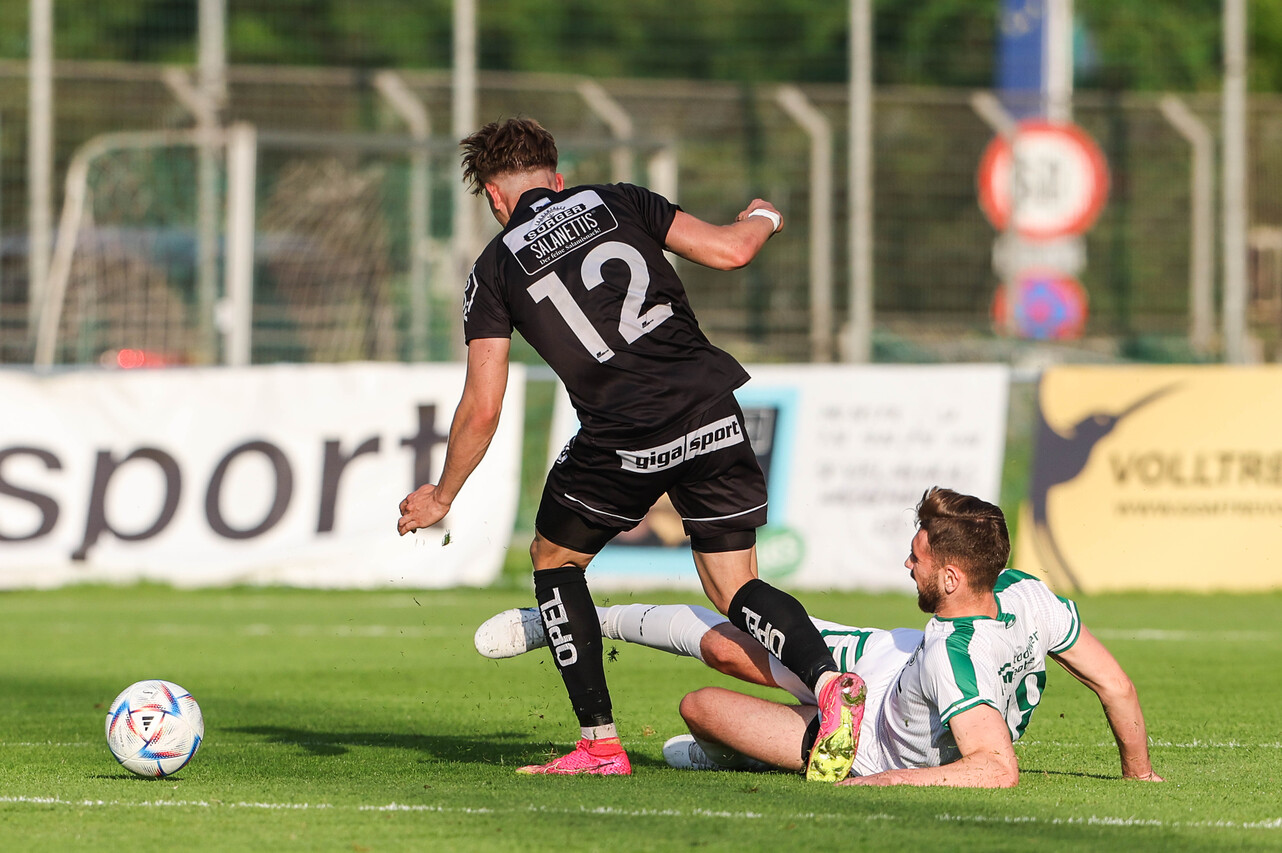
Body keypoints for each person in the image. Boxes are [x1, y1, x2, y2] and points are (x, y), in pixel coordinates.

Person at [397, 117, 862, 779]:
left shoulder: (496, 267)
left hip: (623, 434)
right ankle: (825, 683)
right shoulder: (619, 199)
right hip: (709, 403)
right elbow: (732, 251)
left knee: (554, 558)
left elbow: (485, 403)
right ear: (556, 179)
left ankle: (600, 745)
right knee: (736, 586)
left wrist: (443, 494)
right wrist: (764, 214)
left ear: (495, 200)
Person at [474, 487, 1164, 787]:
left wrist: (882, 782)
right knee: (726, 641)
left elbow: (995, 769)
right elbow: (1116, 683)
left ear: (952, 576)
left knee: (698, 705)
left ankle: (748, 755)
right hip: (888, 664)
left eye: (918, 556)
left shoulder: (957, 657)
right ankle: (567, 619)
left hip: (864, 740)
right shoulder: (1025, 593)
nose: (907, 561)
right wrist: (1139, 773)